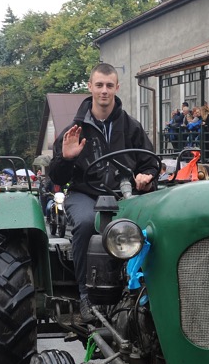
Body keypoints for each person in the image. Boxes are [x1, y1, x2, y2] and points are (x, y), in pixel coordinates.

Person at [48, 63, 157, 321]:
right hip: (85, 194)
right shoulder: (74, 130)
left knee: (153, 225)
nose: (104, 90)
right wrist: (66, 158)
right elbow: (57, 177)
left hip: (124, 195)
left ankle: (148, 289)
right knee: (88, 222)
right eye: (99, 85)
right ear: (90, 87)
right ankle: (86, 294)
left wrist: (146, 177)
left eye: (109, 85)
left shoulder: (131, 127)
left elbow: (150, 162)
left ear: (117, 87)